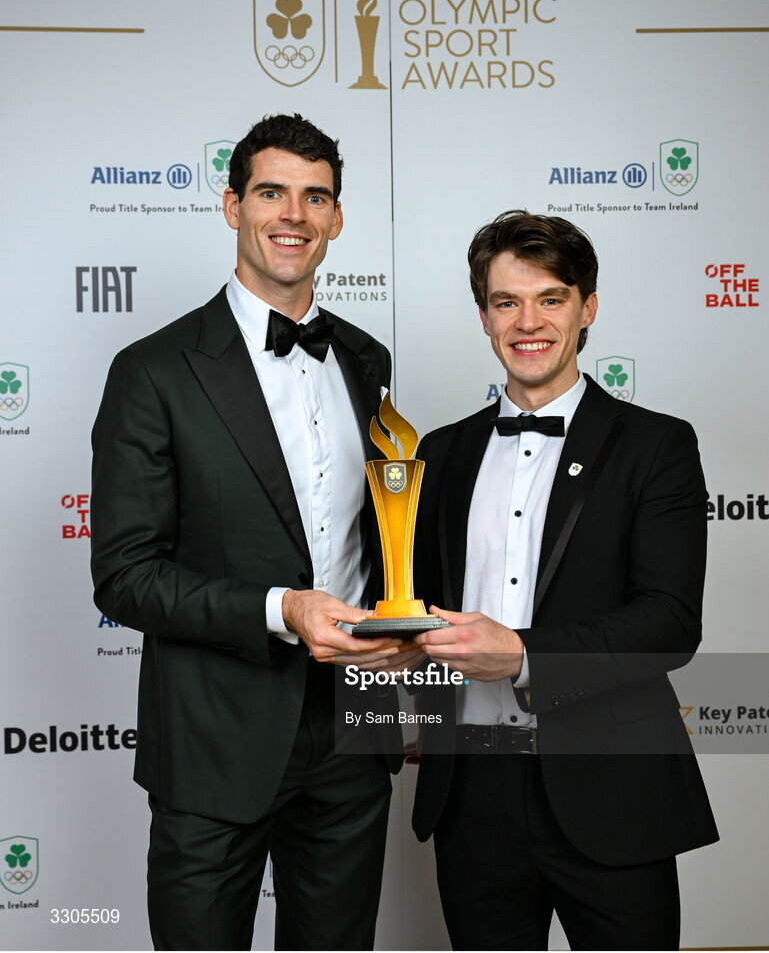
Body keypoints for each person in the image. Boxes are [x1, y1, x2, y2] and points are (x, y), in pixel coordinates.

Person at [91, 113, 414, 951]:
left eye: (316, 197)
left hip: (355, 731)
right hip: (212, 741)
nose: (293, 216)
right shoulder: (153, 371)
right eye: (271, 192)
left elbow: (378, 535)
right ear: (233, 204)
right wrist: (282, 609)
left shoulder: (366, 358)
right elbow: (125, 575)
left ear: (338, 217)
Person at [409, 210, 718, 951]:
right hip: (472, 795)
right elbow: (418, 607)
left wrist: (521, 656)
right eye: (506, 301)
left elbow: (669, 622)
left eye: (551, 297)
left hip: (611, 788)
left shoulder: (656, 445)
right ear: (482, 314)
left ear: (587, 307)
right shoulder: (439, 453)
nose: (528, 322)